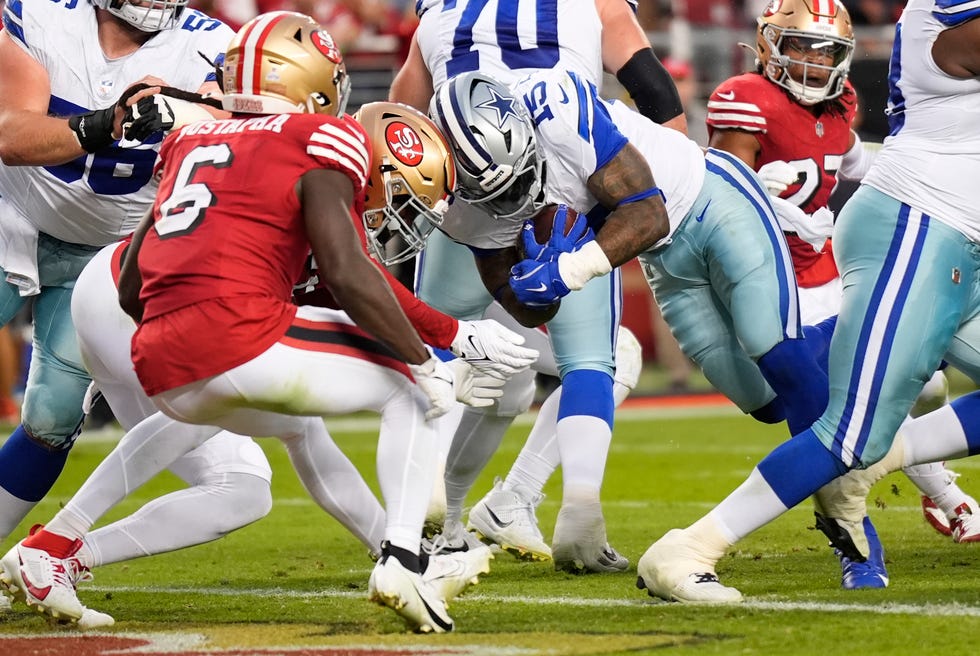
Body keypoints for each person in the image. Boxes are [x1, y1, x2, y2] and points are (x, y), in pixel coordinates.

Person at [0, 12, 534, 634]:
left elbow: (350, 281)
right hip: (159, 299)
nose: (402, 220)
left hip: (141, 302)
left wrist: (445, 337)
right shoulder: (321, 147)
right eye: (404, 198)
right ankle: (404, 556)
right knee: (402, 391)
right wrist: (438, 354)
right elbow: (350, 276)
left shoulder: (221, 140)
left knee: (275, 433)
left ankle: (55, 548)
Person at [636, 0, 980, 604]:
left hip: (935, 240)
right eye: (801, 48)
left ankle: (895, 470)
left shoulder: (840, 108)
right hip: (918, 229)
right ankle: (688, 548)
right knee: (844, 428)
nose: (815, 62)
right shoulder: (937, 18)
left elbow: (854, 160)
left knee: (873, 430)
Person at [388, 0, 689, 573]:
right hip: (558, 165)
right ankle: (574, 512)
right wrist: (665, 167)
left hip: (462, 181)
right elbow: (649, 83)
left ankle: (432, 520)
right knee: (595, 360)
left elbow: (401, 111)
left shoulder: (436, 10)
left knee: (443, 356)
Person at [0, 0, 233, 546]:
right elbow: (11, 134)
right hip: (11, 213)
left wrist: (203, 115)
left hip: (107, 257)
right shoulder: (38, 14)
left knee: (53, 418)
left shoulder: (216, 47)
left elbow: (242, 127)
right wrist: (110, 123)